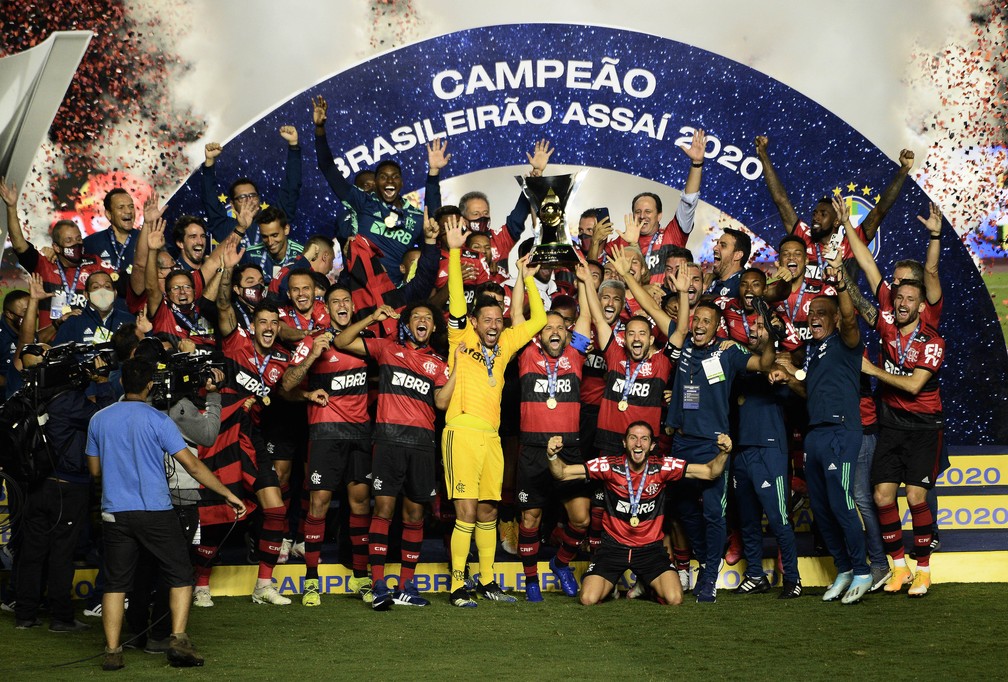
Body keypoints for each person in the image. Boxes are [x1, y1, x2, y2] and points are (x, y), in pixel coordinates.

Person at [86, 357, 246, 670]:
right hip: (156, 510)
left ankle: (113, 651)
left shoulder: (99, 419)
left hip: (115, 512)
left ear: (121, 383)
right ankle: (178, 639)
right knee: (181, 574)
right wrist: (227, 494)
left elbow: (94, 470)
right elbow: (194, 465)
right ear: (149, 385)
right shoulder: (160, 420)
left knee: (117, 585)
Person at [441, 216, 547, 607]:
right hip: (461, 432)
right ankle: (456, 585)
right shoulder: (460, 336)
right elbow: (455, 296)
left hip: (491, 436)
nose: (492, 325)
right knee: (466, 511)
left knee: (489, 510)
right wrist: (454, 252)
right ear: (474, 322)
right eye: (486, 320)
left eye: (497, 320)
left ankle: (486, 581)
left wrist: (527, 277)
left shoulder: (503, 346)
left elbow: (536, 320)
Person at [192, 238, 300, 607]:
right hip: (219, 437)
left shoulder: (283, 361)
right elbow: (222, 304)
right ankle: (201, 583)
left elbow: (289, 389)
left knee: (275, 508)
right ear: (252, 325)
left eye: (274, 323)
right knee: (216, 515)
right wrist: (227, 270)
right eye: (263, 322)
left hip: (251, 439)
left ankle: (263, 586)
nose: (268, 327)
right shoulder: (234, 341)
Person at [334, 301, 457, 609]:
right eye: (417, 316)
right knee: (384, 510)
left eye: (428, 318)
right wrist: (372, 317)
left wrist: (459, 369)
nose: (423, 320)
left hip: (421, 444)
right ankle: (378, 584)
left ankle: (405, 586)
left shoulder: (438, 363)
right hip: (388, 441)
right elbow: (341, 341)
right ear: (406, 324)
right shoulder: (387, 349)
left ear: (433, 328)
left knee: (415, 515)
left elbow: (441, 403)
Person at [768, 254, 872, 604]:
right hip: (815, 433)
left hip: (842, 431)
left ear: (835, 319)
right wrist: (788, 378)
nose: (814, 317)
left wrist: (841, 286)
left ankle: (862, 570)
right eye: (811, 313)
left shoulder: (847, 342)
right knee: (822, 509)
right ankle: (843, 569)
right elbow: (810, 389)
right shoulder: (812, 350)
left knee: (842, 504)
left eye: (821, 313)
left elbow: (848, 316)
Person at [665, 296, 776, 604]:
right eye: (696, 319)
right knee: (684, 508)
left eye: (706, 321)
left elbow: (765, 364)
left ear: (717, 327)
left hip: (713, 445)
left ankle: (709, 577)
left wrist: (767, 341)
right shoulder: (682, 341)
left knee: (714, 513)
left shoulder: (728, 351)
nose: (699, 325)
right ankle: (704, 558)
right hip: (681, 442)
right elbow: (650, 308)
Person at [546, 422, 733, 605]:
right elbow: (563, 473)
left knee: (675, 599)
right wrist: (552, 456)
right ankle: (611, 587)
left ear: (651, 445)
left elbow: (710, 472)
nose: (638, 443)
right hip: (613, 548)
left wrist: (724, 453)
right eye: (633, 438)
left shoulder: (662, 467)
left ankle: (646, 584)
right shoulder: (609, 466)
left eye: (644, 439)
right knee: (588, 598)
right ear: (624, 443)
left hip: (650, 550)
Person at [280, 284, 375, 605]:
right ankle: (310, 580)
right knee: (318, 504)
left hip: (359, 435)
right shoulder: (313, 340)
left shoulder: (364, 342)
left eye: (346, 300)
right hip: (325, 435)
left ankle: (361, 576)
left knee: (360, 504)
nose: (342, 305)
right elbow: (287, 384)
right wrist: (313, 356)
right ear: (328, 308)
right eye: (335, 302)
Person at [860, 279, 945, 597]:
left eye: (910, 299)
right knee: (882, 496)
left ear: (922, 306)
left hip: (924, 428)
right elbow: (869, 267)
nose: (903, 303)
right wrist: (845, 227)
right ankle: (899, 569)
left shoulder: (932, 341)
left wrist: (873, 370)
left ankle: (923, 571)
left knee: (915, 497)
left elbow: (913, 386)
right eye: (899, 298)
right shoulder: (887, 327)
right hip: (892, 426)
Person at [514, 259, 592, 602]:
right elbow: (517, 319)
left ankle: (561, 564)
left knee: (581, 518)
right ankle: (531, 580)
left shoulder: (575, 355)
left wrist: (585, 282)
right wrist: (521, 277)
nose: (554, 331)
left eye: (560, 326)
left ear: (568, 331)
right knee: (530, 517)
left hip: (569, 449)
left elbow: (587, 319)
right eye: (546, 327)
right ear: (539, 334)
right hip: (533, 448)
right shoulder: (526, 355)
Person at [313, 94, 447, 284]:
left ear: (401, 183)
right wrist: (320, 130)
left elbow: (434, 217)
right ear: (376, 184)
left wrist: (433, 172)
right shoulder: (364, 202)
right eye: (383, 177)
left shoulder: (416, 218)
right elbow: (328, 169)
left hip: (392, 293)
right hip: (357, 287)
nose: (389, 181)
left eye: (394, 177)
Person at [755, 135, 915, 282]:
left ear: (837, 220)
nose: (815, 217)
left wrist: (903, 171)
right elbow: (781, 201)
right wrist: (763, 155)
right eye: (815, 213)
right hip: (809, 312)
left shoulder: (852, 243)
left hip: (840, 312)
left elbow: (881, 210)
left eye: (823, 214)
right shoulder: (803, 238)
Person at [201, 125, 302, 246]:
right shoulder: (226, 227)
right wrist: (209, 164)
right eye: (242, 197)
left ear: (259, 199)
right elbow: (209, 200)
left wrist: (293, 146)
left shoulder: (275, 221)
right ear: (232, 205)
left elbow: (291, 187)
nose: (249, 200)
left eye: (252, 195)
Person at [83, 187, 139, 278]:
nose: (128, 211)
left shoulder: (146, 239)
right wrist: (52, 253)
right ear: (109, 214)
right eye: (121, 207)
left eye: (131, 206)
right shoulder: (91, 243)